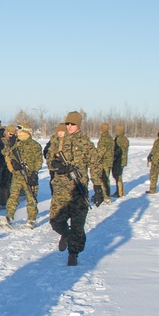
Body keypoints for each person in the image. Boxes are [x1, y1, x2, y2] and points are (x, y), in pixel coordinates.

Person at [46, 111, 100, 266]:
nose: (69, 126)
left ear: (78, 125)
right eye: (67, 123)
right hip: (61, 188)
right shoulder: (58, 140)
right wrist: (56, 165)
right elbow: (49, 158)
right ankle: (65, 234)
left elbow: (95, 165)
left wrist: (97, 187)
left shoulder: (85, 143)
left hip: (78, 189)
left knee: (78, 225)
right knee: (55, 220)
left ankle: (73, 254)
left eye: (73, 124)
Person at [0, 124, 43, 229]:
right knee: (13, 196)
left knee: (31, 198)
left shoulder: (34, 145)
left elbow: (39, 162)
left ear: (26, 132)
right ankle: (9, 217)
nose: (18, 133)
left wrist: (33, 172)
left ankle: (31, 219)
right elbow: (4, 152)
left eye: (20, 131)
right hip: (17, 175)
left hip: (29, 176)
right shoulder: (16, 143)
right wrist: (9, 143)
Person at [95, 123, 114, 203]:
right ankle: (106, 195)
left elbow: (101, 151)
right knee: (106, 178)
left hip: (104, 162)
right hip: (109, 161)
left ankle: (106, 196)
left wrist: (96, 159)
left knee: (104, 179)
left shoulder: (103, 138)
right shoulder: (110, 138)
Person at [111, 125, 129, 197]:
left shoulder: (119, 139)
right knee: (118, 175)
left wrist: (114, 157)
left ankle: (120, 192)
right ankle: (120, 191)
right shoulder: (125, 139)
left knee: (117, 175)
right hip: (123, 160)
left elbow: (117, 150)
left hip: (119, 160)